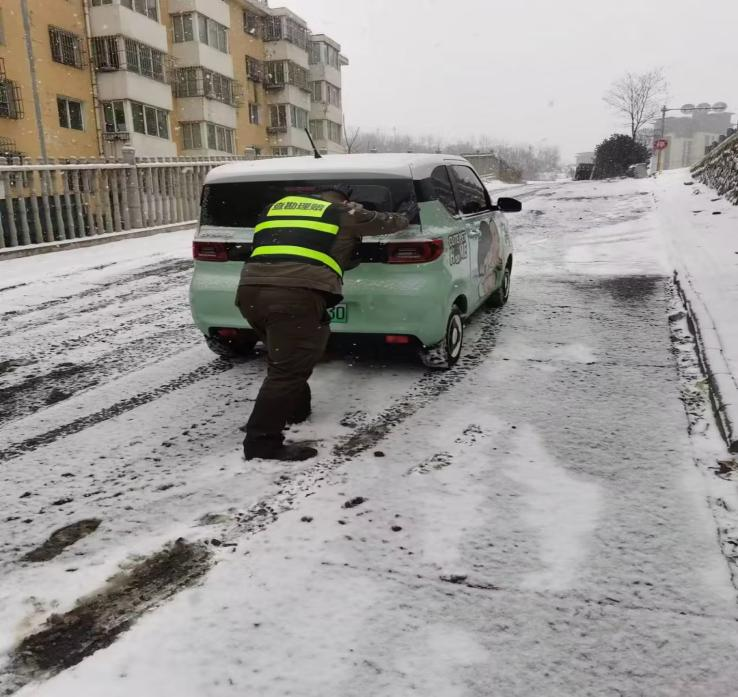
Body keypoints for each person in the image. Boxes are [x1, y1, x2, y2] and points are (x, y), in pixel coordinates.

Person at [236, 186, 415, 462]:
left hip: (250, 292)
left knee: (285, 356)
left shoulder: (278, 208)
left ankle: (295, 412)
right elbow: (388, 224)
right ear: (344, 200)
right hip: (295, 295)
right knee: (287, 370)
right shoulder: (342, 212)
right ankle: (262, 443)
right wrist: (405, 213)